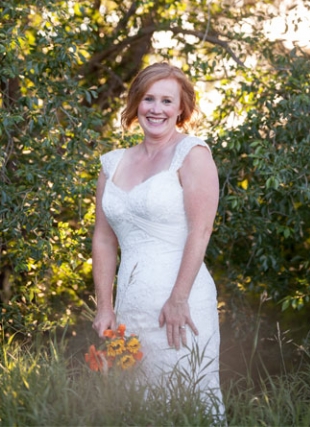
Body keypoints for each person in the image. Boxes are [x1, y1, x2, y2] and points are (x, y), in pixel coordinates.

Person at [91, 63, 225, 418]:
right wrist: (105, 306)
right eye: (148, 98)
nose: (156, 108)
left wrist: (179, 299)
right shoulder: (112, 164)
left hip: (180, 304)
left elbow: (202, 230)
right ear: (136, 103)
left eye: (167, 100)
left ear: (181, 108)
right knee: (139, 409)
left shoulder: (192, 154)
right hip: (130, 306)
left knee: (188, 404)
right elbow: (104, 239)